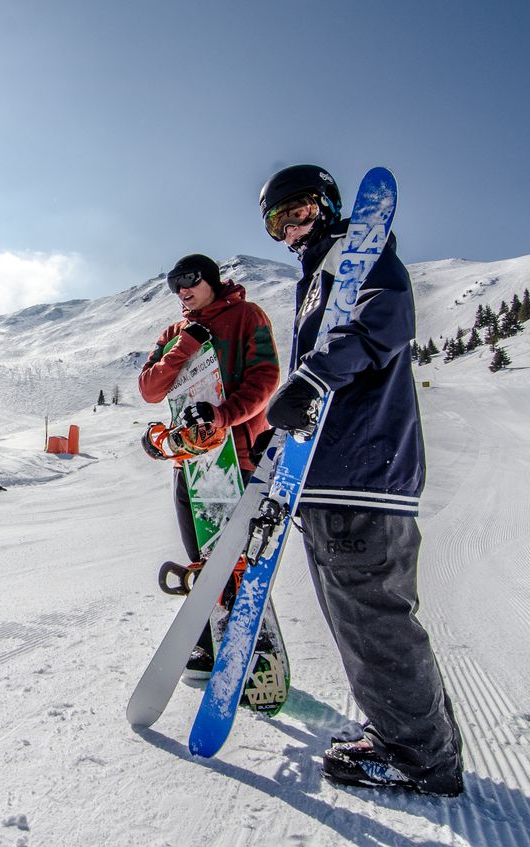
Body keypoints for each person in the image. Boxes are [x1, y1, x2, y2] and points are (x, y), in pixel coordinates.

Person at [258, 164, 463, 796]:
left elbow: (384, 323)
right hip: (334, 477)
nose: (291, 230)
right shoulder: (318, 278)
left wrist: (313, 378)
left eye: (299, 212)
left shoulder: (359, 258)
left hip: (363, 474)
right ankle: (414, 735)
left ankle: (420, 759)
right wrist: (282, 437)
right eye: (277, 224)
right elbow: (323, 374)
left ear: (327, 204)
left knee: (375, 623)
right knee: (360, 622)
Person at [138, 253, 279, 677]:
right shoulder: (174, 333)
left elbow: (265, 378)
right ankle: (209, 640)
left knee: (235, 555)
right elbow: (150, 389)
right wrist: (187, 344)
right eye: (174, 283)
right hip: (191, 462)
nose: (182, 289)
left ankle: (252, 638)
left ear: (212, 279)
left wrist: (222, 416)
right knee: (201, 556)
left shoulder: (247, 316)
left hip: (237, 455)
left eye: (190, 278)